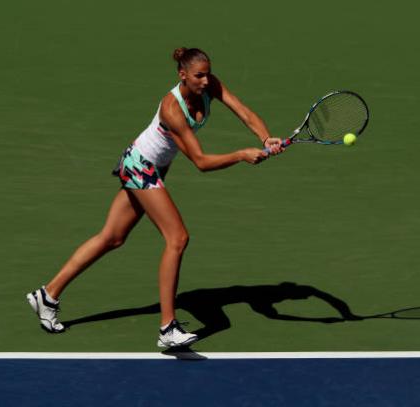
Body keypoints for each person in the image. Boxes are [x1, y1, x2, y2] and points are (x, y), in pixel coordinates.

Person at [26, 47, 283, 348]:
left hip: (151, 166)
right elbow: (200, 162)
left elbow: (246, 113)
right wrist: (241, 155)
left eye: (207, 74)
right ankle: (167, 328)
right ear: (182, 75)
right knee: (178, 238)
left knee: (112, 237)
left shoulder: (210, 85)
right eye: (198, 75)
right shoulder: (172, 109)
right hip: (141, 168)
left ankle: (48, 295)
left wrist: (265, 138)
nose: (205, 81)